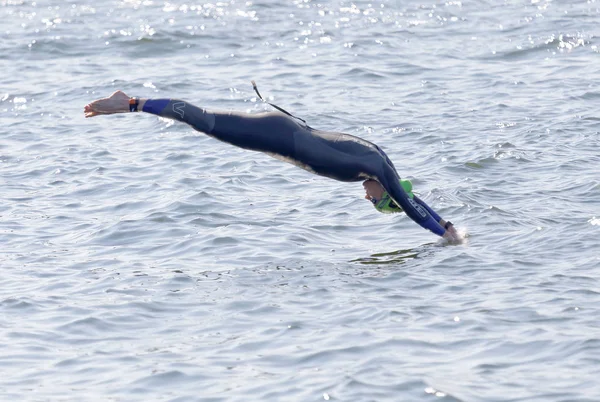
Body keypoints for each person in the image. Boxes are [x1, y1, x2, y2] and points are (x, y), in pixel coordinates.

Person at [84, 88, 460, 241]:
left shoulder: (376, 167)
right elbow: (411, 207)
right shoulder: (379, 170)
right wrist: (447, 235)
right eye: (378, 201)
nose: (368, 199)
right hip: (278, 135)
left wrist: (444, 222)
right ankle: (130, 102)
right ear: (387, 193)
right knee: (203, 122)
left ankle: (132, 104)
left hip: (281, 135)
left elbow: (414, 201)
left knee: (205, 124)